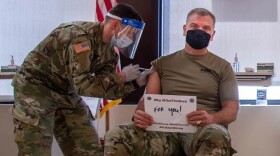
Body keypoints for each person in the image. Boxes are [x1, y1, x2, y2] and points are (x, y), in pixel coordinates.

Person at [10, 3, 151, 156]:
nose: (131, 38)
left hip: (66, 91)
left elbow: (105, 89)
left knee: (87, 148)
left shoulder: (110, 53)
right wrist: (122, 76)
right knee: (35, 150)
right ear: (116, 25)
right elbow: (83, 85)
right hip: (35, 88)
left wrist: (135, 83)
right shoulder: (80, 37)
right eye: (130, 33)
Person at [104, 8, 239, 156]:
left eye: (206, 28)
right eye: (194, 26)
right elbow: (149, 101)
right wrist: (140, 115)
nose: (199, 30)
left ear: (212, 35)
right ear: (184, 29)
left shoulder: (223, 67)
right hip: (164, 133)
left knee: (216, 134)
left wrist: (211, 118)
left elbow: (231, 111)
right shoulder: (161, 64)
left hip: (201, 131)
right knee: (117, 135)